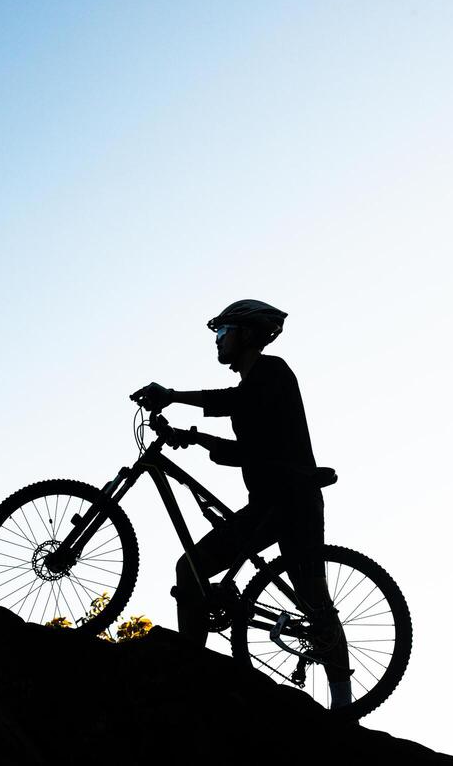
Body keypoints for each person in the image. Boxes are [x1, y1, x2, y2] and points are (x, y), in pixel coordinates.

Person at [131, 299, 353, 709]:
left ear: (246, 335)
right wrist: (195, 438)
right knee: (197, 569)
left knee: (313, 598)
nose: (217, 342)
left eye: (222, 333)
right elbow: (245, 446)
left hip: (293, 499)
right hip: (272, 502)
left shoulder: (272, 372)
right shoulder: (253, 385)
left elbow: (236, 408)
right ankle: (192, 664)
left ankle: (344, 703)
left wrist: (174, 397)